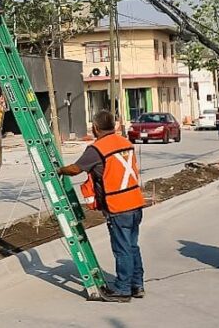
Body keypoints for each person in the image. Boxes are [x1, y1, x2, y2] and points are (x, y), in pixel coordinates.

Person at [60, 110, 145, 302]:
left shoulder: (97, 149)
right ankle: (137, 285)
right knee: (132, 246)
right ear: (114, 126)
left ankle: (122, 290)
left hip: (118, 206)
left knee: (122, 248)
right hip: (135, 202)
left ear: (95, 128)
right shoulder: (125, 143)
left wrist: (59, 170)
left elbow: (75, 170)